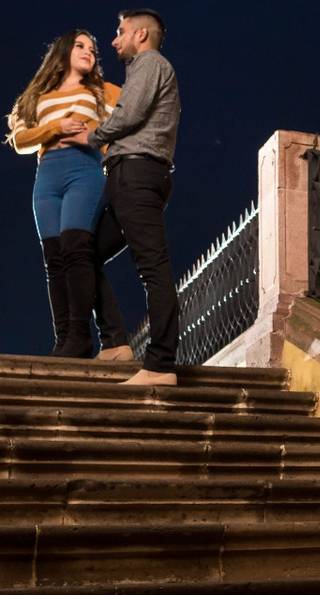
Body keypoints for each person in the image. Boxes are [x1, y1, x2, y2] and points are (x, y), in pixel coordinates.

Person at [6, 30, 128, 359]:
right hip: (46, 176)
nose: (89, 51)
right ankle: (64, 340)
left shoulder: (103, 91)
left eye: (92, 48)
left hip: (84, 171)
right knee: (54, 259)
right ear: (62, 51)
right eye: (80, 45)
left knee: (76, 249)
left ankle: (80, 336)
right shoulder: (33, 97)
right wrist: (55, 127)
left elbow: (136, 113)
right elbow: (21, 141)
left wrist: (97, 137)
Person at [76, 9, 181, 386]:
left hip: (138, 173)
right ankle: (117, 342)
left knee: (153, 266)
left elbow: (130, 114)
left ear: (141, 35)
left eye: (120, 32)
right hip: (126, 177)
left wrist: (87, 135)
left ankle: (161, 364)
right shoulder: (146, 67)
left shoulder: (150, 63)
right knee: (85, 253)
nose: (115, 40)